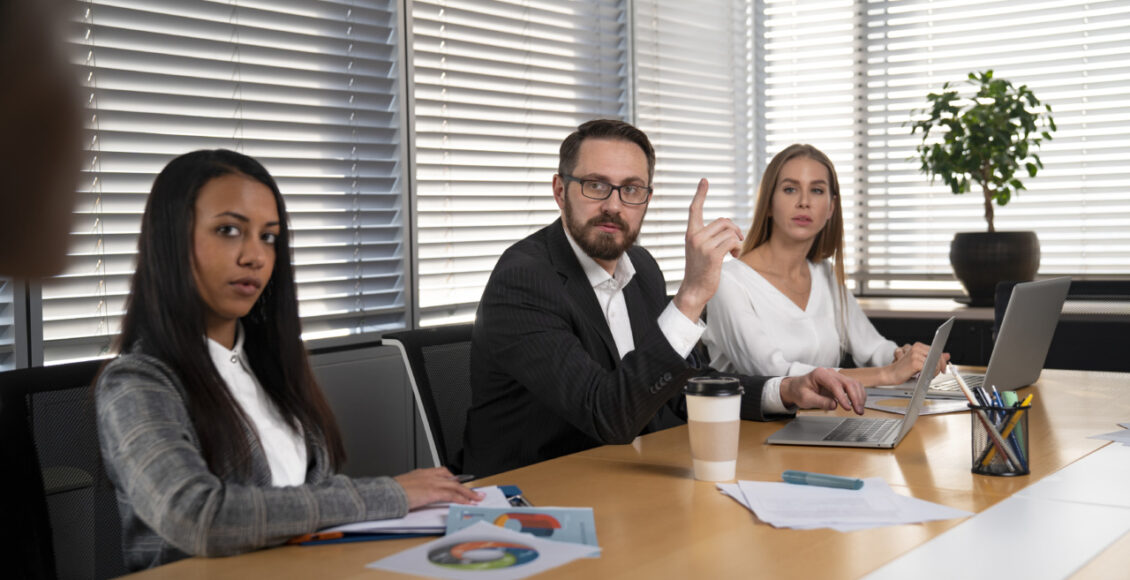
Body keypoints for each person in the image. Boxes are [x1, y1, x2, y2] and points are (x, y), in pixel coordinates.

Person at [94, 150, 481, 571]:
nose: (254, 256)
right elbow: (198, 517)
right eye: (228, 230)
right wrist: (391, 494)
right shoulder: (136, 383)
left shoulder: (266, 366)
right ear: (169, 239)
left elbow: (307, 496)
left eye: (268, 237)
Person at [462, 120, 864, 477]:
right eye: (596, 185)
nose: (614, 205)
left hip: (626, 477)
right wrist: (691, 296)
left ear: (647, 199)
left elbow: (679, 386)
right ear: (559, 189)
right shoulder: (525, 278)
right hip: (537, 491)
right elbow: (607, 414)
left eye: (632, 189)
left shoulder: (640, 266)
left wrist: (786, 390)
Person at [702, 143, 947, 387]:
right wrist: (887, 374)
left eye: (817, 191)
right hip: (753, 425)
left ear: (831, 207)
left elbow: (873, 347)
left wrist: (903, 357)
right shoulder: (728, 281)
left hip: (825, 419)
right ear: (768, 203)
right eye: (790, 189)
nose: (804, 202)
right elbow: (773, 374)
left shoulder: (824, 274)